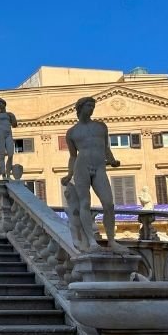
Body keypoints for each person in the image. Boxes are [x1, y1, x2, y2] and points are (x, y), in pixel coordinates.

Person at [61, 97, 129, 254]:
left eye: (93, 106)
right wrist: (69, 174)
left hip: (99, 167)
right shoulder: (72, 132)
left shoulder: (100, 127)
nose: (91, 109)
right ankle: (92, 241)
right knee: (85, 203)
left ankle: (111, 240)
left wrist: (112, 160)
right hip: (81, 166)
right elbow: (73, 156)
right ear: (80, 108)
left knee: (109, 203)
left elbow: (106, 147)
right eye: (88, 106)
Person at [0, 98, 17, 180]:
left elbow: (14, 125)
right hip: (0, 134)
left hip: (8, 134)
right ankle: (4, 174)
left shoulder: (9, 114)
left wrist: (13, 118)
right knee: (1, 156)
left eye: (0, 103)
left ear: (4, 103)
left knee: (10, 154)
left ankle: (8, 173)